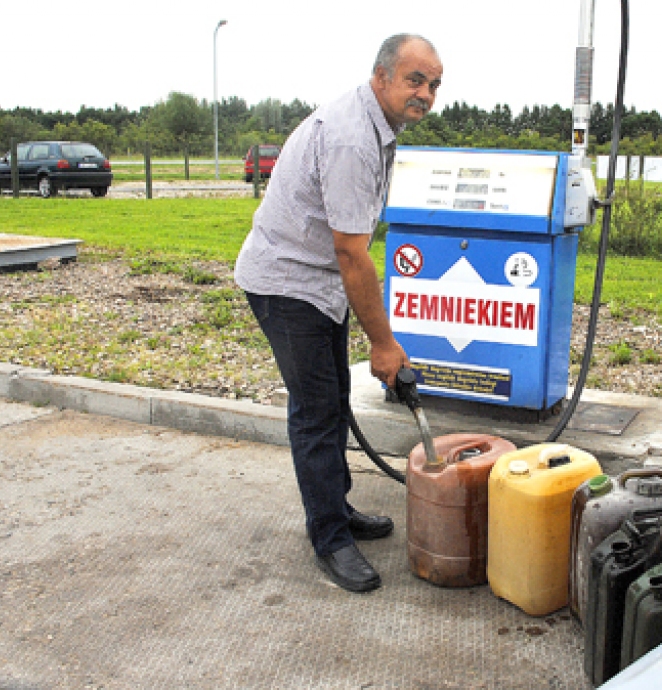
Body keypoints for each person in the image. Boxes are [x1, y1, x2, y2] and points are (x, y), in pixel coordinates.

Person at [234, 34, 443, 593]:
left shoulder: (377, 126)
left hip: (319, 280)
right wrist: (384, 345)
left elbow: (350, 253)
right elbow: (353, 253)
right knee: (317, 410)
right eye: (414, 80)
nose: (425, 93)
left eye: (434, 84)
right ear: (381, 77)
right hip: (287, 282)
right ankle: (329, 537)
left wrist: (379, 338)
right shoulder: (353, 138)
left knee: (332, 402)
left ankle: (337, 508)